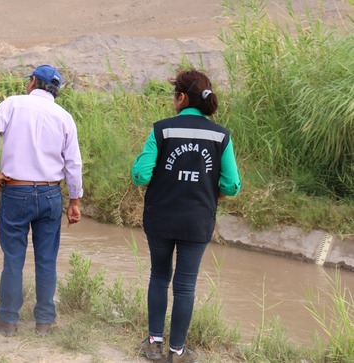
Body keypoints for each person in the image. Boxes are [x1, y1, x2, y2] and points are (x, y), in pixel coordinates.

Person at [132, 69, 242, 363]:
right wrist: (209, 189)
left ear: (181, 97)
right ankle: (177, 351)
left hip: (161, 217)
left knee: (159, 276)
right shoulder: (221, 136)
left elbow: (141, 176)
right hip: (197, 220)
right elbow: (232, 185)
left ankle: (154, 344)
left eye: (173, 96)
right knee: (185, 285)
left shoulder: (162, 130)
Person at [0, 64, 84, 336]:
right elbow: (73, 164)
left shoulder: (13, 104)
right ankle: (44, 323)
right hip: (50, 194)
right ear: (55, 90)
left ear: (33, 81)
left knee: (13, 258)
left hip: (16, 191)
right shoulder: (64, 116)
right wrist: (75, 201)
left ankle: (8, 321)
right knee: (46, 259)